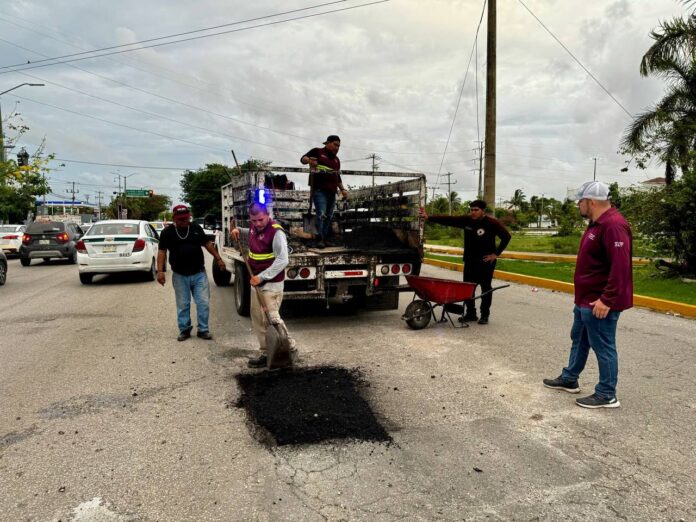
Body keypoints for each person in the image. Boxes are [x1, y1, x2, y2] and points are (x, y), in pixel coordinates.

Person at [543, 181, 632, 409]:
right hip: (584, 299)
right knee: (579, 339)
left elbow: (620, 267)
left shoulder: (613, 225)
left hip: (599, 302)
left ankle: (606, 394)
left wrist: (607, 300)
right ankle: (570, 378)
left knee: (603, 345)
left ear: (591, 201)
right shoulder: (596, 224)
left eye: (580, 201)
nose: (578, 205)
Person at [420, 199, 511, 324]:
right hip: (470, 261)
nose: (473, 212)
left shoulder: (492, 223)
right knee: (468, 289)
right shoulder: (467, 220)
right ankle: (471, 314)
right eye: (471, 210)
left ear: (483, 211)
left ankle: (485, 315)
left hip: (485, 262)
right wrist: (429, 217)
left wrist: (495, 254)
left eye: (476, 210)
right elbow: (449, 220)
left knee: (485, 288)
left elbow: (506, 237)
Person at [231, 202, 296, 368]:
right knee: (258, 319)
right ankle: (266, 351)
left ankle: (290, 347)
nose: (257, 224)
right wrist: (239, 230)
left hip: (271, 284)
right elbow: (251, 232)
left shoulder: (276, 232)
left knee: (272, 319)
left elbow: (283, 260)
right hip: (257, 282)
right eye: (253, 221)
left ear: (268, 215)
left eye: (260, 220)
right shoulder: (254, 227)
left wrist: (261, 277)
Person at [157, 204, 227, 341]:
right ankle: (184, 329)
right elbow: (161, 252)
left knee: (203, 302)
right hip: (179, 275)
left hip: (198, 273)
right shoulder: (167, 233)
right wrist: (160, 271)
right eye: (180, 220)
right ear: (174, 219)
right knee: (183, 304)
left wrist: (219, 259)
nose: (184, 222)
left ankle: (203, 330)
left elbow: (207, 244)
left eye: (186, 219)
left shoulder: (195, 228)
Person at [300, 135, 349, 247]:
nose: (337, 148)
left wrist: (342, 189)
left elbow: (337, 177)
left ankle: (325, 238)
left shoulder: (336, 160)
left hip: (332, 191)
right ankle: (319, 238)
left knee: (329, 215)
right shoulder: (317, 151)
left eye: (339, 146)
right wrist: (309, 161)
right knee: (321, 214)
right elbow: (302, 159)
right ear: (328, 143)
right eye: (335, 145)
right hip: (319, 189)